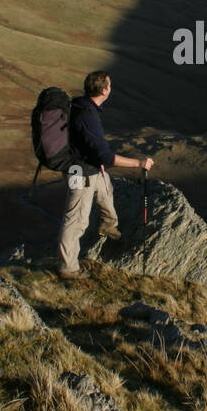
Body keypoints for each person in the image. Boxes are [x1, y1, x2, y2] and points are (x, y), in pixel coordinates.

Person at [57, 70, 154, 278]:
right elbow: (107, 157)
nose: (111, 88)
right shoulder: (87, 116)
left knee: (105, 184)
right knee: (76, 220)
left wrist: (95, 160)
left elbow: (86, 145)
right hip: (80, 172)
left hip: (87, 167)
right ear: (103, 90)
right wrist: (139, 163)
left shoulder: (81, 105)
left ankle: (108, 224)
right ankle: (68, 268)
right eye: (109, 85)